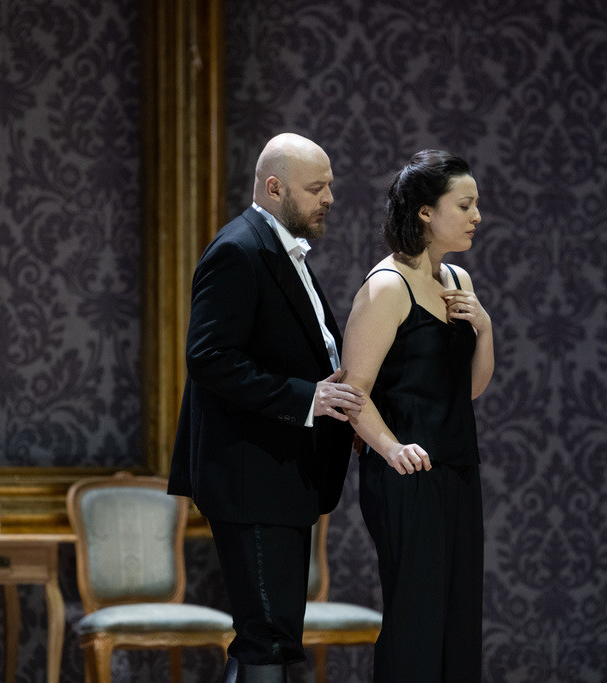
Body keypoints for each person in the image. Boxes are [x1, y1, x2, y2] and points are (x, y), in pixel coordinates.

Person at [168, 132, 366, 683]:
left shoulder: (278, 247)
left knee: (269, 637)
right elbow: (208, 358)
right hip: (250, 475)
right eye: (316, 188)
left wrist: (341, 409)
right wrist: (309, 398)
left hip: (278, 476)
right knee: (267, 639)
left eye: (329, 186)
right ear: (274, 188)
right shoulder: (238, 249)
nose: (330, 198)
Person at [341, 149, 495, 681]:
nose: (477, 216)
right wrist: (392, 449)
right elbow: (352, 392)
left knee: (459, 620)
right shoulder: (387, 286)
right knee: (417, 622)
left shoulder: (459, 280)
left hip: (457, 467)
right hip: (405, 474)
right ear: (426, 212)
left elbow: (468, 389)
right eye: (465, 205)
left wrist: (485, 329)